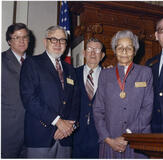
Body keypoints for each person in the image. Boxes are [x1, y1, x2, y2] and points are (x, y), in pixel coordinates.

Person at [20, 26, 80, 158]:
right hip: (40, 137)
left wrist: (69, 126)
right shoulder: (32, 63)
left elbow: (75, 101)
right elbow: (29, 99)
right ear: (45, 41)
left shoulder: (70, 69)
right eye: (54, 39)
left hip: (65, 139)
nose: (58, 44)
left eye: (62, 40)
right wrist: (58, 122)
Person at [93, 30, 154, 158]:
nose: (124, 51)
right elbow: (98, 110)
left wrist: (128, 133)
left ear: (135, 51)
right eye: (120, 47)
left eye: (129, 48)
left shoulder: (145, 73)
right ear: (114, 50)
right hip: (111, 140)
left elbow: (147, 108)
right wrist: (108, 139)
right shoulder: (105, 75)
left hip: (137, 138)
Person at [72, 38, 105, 158]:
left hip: (99, 138)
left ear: (102, 55)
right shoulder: (72, 74)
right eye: (90, 49)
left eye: (97, 50)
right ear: (84, 53)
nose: (92, 53)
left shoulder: (109, 77)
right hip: (75, 136)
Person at [2, 23, 30, 158]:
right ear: (9, 41)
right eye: (17, 37)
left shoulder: (34, 64)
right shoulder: (1, 61)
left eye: (25, 37)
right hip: (7, 133)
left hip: (31, 133)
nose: (22, 41)